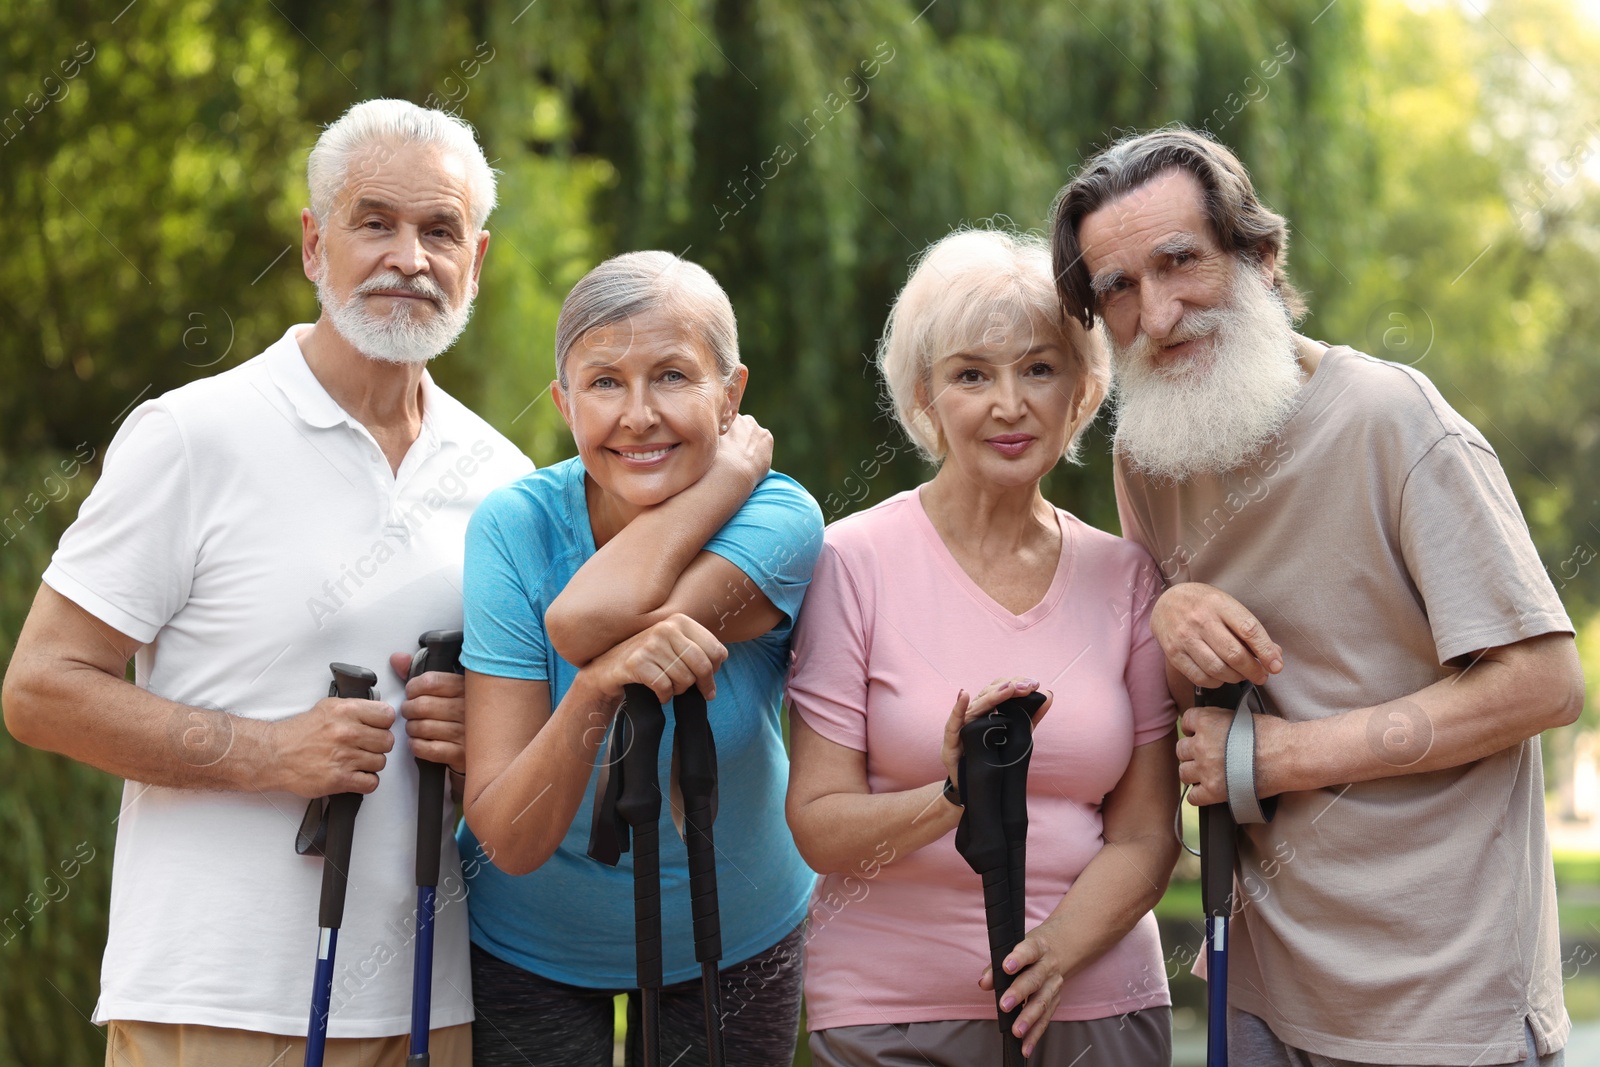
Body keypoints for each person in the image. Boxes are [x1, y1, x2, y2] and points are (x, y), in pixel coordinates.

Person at [0, 99, 533, 1066]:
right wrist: (271, 753)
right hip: (216, 1002)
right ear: (313, 243)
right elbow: (41, 690)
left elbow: (528, 743)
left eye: (439, 230)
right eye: (376, 222)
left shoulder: (506, 478)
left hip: (433, 1008)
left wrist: (483, 731)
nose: (410, 257)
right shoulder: (192, 435)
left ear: (477, 261)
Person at [1050, 127, 1584, 1067]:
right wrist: (1161, 612)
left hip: (1442, 998)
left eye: (1181, 263)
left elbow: (1544, 684)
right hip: (1257, 983)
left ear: (1259, 256)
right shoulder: (1150, 452)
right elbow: (1180, 693)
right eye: (1118, 289)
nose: (1159, 314)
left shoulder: (1396, 421)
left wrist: (1281, 754)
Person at [784, 228, 1181, 1066]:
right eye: (972, 374)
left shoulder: (1127, 576)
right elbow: (818, 826)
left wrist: (1057, 952)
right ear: (926, 396)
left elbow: (1147, 835)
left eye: (1039, 367)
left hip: (1095, 1002)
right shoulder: (852, 561)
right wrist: (953, 794)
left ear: (1082, 388)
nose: (1010, 404)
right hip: (891, 1010)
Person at [456, 250, 824, 1066]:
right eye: (605, 383)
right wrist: (592, 692)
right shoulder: (513, 529)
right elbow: (510, 837)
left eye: (672, 376)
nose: (639, 414)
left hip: (733, 929)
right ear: (563, 403)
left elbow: (583, 617)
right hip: (530, 938)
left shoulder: (780, 516)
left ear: (731, 396)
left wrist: (726, 487)